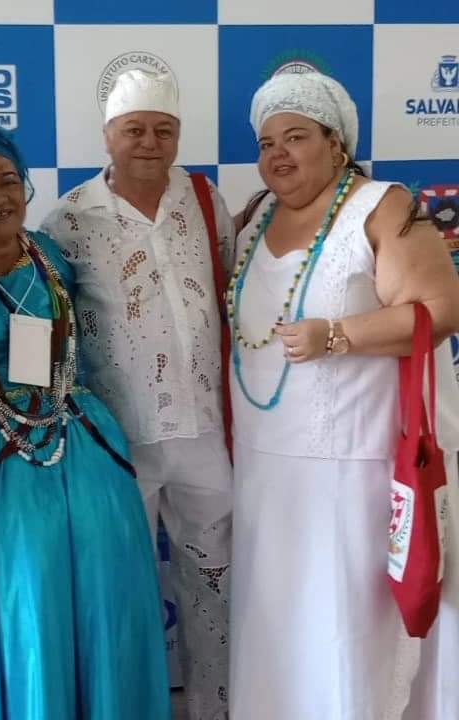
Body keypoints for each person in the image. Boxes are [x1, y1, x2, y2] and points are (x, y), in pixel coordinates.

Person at [229, 70, 459, 720]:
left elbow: (440, 309)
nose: (278, 153)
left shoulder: (381, 205)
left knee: (349, 633)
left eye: (296, 136)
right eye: (267, 142)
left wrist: (338, 335)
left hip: (359, 468)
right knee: (282, 629)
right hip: (269, 470)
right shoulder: (256, 219)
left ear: (336, 143)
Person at [0, 120, 171, 720]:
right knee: (26, 584)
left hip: (79, 440)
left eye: (8, 180)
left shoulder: (51, 253)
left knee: (101, 586)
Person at [42, 69, 234, 719]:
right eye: (134, 130)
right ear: (108, 136)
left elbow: (230, 290)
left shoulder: (204, 199)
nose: (150, 142)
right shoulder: (69, 218)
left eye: (163, 130)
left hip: (205, 433)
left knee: (216, 584)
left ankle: (215, 708)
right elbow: (50, 319)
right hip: (120, 442)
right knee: (121, 593)